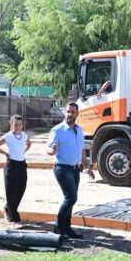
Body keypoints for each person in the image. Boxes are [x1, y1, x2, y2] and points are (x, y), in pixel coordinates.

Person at [47, 102, 94, 238]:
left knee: (70, 199)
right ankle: (58, 226)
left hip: (75, 169)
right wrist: (52, 151)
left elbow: (81, 151)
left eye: (73, 112)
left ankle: (66, 227)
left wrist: (88, 167)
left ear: (77, 114)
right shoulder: (58, 130)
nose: (70, 114)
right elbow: (48, 148)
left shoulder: (79, 130)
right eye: (68, 111)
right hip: (62, 168)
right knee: (71, 197)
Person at [0, 114, 32, 223]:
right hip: (11, 165)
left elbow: (29, 144)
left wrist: (24, 151)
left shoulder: (24, 135)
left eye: (19, 124)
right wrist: (6, 153)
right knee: (11, 191)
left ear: (22, 125)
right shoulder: (8, 136)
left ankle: (7, 208)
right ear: (11, 124)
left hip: (22, 165)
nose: (17, 127)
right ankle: (13, 214)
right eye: (15, 124)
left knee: (21, 189)